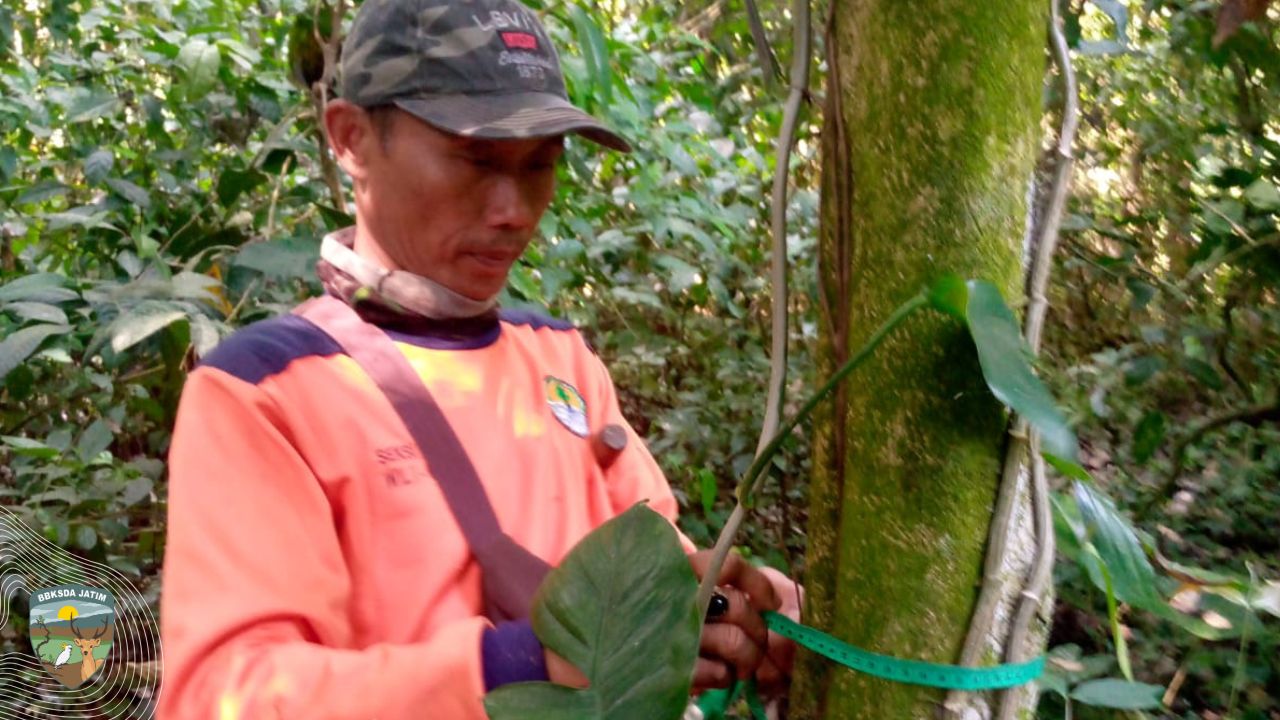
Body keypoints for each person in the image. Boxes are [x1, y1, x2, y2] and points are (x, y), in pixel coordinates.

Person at [158, 0, 797, 717]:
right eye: (476, 160)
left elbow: (652, 566)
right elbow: (222, 694)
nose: (514, 210)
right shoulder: (266, 392)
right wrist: (517, 668)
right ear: (352, 139)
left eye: (539, 167)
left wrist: (736, 611)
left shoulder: (561, 358)